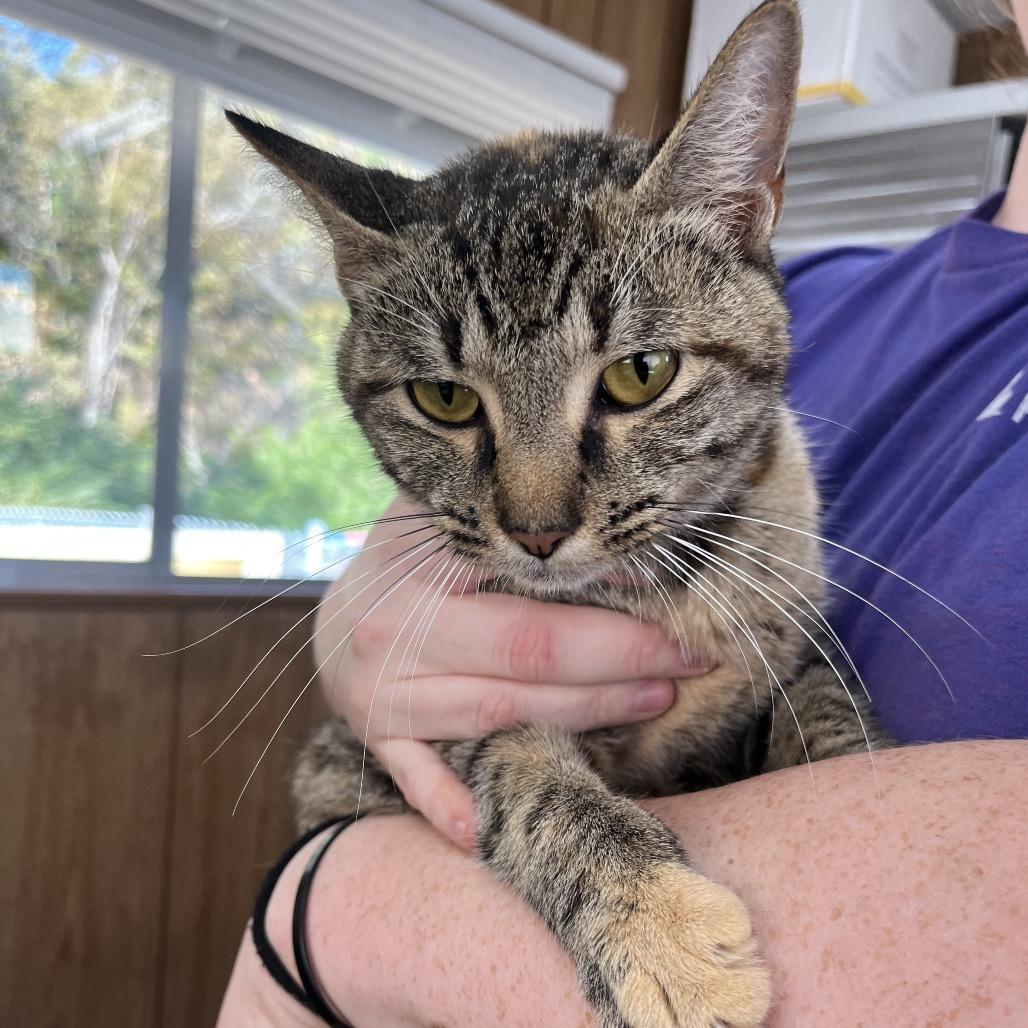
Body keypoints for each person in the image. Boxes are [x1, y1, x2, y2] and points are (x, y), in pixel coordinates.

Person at [218, 4, 1028, 1023]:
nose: (535, 512)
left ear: (743, 209)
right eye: (448, 399)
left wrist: (328, 913)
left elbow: (787, 677)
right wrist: (366, 617)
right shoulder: (837, 291)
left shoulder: (751, 350)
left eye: (634, 375)